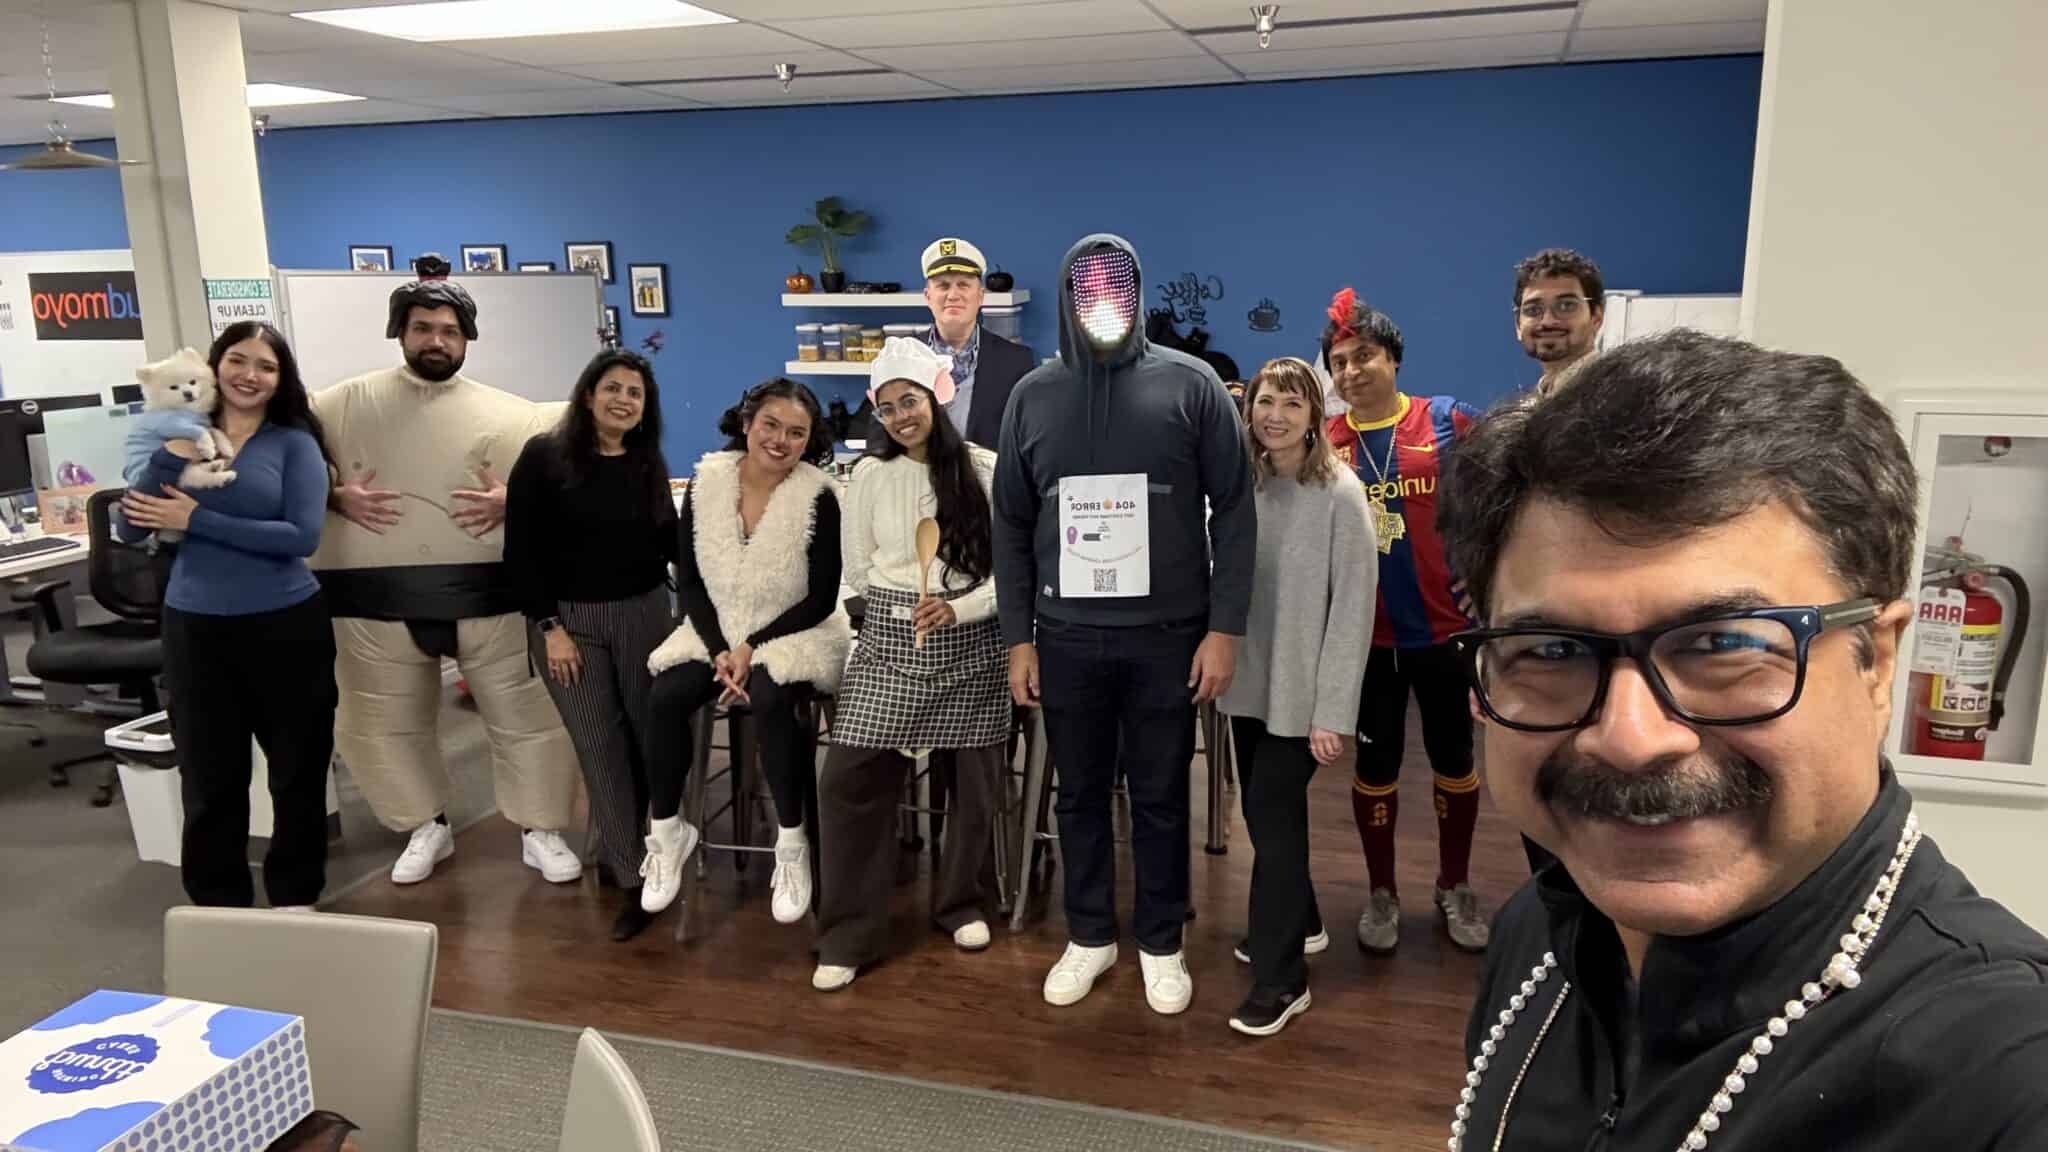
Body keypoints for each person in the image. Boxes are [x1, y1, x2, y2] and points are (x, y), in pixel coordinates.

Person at [1437, 330, 2048, 1150]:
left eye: (1724, 644)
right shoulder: (1542, 934)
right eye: (1551, 652)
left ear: (1879, 662)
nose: (1628, 738)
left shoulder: (2005, 1076)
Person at [994, 233, 1254, 1015]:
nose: (1103, 305)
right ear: (1071, 299)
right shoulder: (1032, 397)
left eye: (1117, 289)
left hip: (1168, 634)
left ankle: (1162, 939)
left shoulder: (1192, 384)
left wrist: (1224, 627)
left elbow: (1236, 509)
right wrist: (1018, 637)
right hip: (1065, 635)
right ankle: (1089, 934)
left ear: (1138, 296)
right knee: (1076, 796)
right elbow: (1010, 522)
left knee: (1161, 794)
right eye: (1089, 291)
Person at [314, 278, 582, 887]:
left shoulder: (515, 416)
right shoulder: (339, 409)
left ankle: (541, 828)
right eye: (423, 328)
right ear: (400, 332)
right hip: (372, 598)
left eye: (448, 330)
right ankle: (421, 825)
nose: (436, 341)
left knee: (529, 718)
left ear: (467, 338)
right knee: (381, 723)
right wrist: (331, 495)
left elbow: (585, 470)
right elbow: (272, 458)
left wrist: (520, 499)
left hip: (493, 594)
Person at [117, 322, 338, 909]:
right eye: (237, 360)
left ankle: (296, 894)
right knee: (210, 780)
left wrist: (198, 520)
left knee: (297, 773)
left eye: (266, 366)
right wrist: (168, 459)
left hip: (287, 626)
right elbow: (129, 523)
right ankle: (217, 904)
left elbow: (301, 536)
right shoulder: (181, 435)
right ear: (214, 367)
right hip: (197, 628)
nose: (250, 375)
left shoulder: (294, 443)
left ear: (281, 379)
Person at [812, 339, 1010, 991]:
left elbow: (1012, 570)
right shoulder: (866, 476)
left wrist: (964, 609)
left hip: (970, 639)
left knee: (975, 784)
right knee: (847, 777)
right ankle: (848, 930)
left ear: (936, 399)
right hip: (891, 640)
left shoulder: (983, 467)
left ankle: (962, 903)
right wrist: (878, 614)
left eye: (911, 401)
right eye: (889, 406)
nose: (901, 415)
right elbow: (856, 564)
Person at [640, 378, 851, 925]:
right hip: (713, 630)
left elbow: (823, 597)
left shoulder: (821, 496)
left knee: (770, 694)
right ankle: (667, 831)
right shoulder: (706, 481)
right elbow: (688, 583)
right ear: (746, 422)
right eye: (771, 425)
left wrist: (751, 647)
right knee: (664, 696)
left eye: (797, 433)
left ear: (811, 441)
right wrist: (720, 648)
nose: (781, 440)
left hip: (795, 631)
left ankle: (792, 839)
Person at [1318, 288, 1491, 955]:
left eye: (1364, 356)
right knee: (1376, 764)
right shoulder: (1326, 442)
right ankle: (1382, 892)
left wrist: (1490, 582)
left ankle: (1454, 884)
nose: (1351, 371)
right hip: (1370, 642)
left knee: (1455, 761)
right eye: (1339, 361)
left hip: (1447, 634)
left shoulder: (1446, 420)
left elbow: (1507, 493)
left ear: (1392, 358)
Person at [1217, 357, 1375, 1037]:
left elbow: (1354, 610)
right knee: (1264, 818)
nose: (1273, 415)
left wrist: (1333, 713)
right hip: (1249, 683)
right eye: (1263, 402)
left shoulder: (1340, 494)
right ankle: (1300, 919)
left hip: (1305, 695)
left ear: (1316, 416)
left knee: (1273, 828)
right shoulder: (1243, 485)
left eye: (1290, 403)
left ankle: (1283, 980)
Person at [503, 348, 678, 941]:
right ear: (587, 395)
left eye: (635, 393)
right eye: (613, 388)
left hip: (645, 615)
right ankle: (633, 881)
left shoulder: (646, 462)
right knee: (599, 746)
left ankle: (645, 858)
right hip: (567, 626)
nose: (624, 400)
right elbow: (521, 552)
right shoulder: (544, 457)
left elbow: (669, 544)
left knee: (646, 743)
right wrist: (549, 627)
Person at [918, 237, 1038, 451]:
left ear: (980, 295)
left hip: (989, 483)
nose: (953, 295)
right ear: (928, 296)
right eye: (943, 285)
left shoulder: (1017, 362)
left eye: (963, 285)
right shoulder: (901, 358)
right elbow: (876, 436)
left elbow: (1030, 440)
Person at [1512, 247, 1604, 397]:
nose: (1548, 321)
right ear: (1518, 324)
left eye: (1566, 306)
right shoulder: (1530, 406)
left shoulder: (1626, 395)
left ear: (1596, 317)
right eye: (1533, 310)